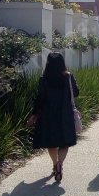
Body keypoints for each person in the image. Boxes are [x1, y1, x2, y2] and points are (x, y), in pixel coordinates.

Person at [31, 52, 80, 184]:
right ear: (62, 63)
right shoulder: (68, 77)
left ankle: (54, 164)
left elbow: (40, 98)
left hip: (48, 114)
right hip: (65, 113)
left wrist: (34, 113)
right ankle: (60, 163)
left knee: (51, 142)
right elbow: (76, 93)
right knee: (65, 142)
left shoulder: (44, 79)